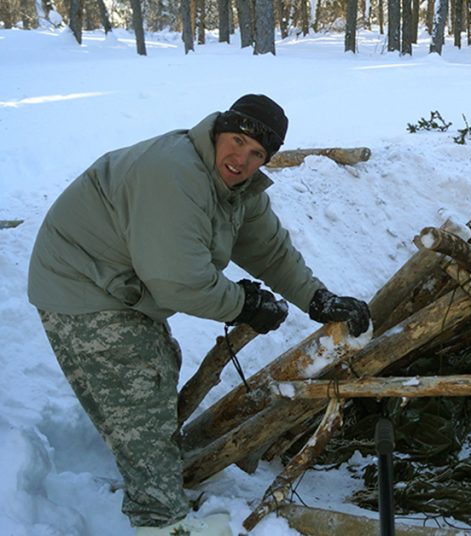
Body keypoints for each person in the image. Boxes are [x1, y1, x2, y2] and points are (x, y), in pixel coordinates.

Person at [27, 94, 371, 535]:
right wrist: (244, 304)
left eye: (256, 154)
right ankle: (160, 522)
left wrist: (317, 299)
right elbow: (178, 281)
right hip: (80, 284)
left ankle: (156, 489)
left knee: (156, 368)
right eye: (236, 140)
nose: (240, 159)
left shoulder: (234, 187)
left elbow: (268, 248)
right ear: (217, 132)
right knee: (140, 384)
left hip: (119, 284)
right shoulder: (176, 173)